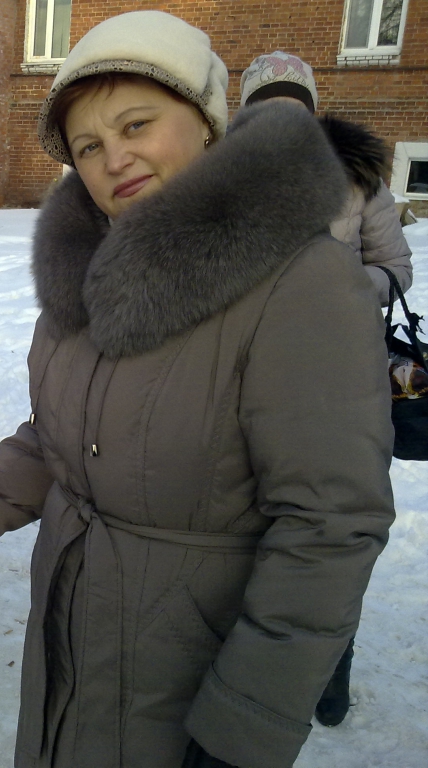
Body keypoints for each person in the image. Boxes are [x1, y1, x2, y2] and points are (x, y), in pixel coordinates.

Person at [0, 11, 394, 768]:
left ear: (208, 123)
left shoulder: (302, 283)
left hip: (188, 663)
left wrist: (247, 721)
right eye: (88, 145)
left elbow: (329, 525)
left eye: (136, 124)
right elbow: (61, 438)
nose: (113, 157)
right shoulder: (90, 273)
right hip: (70, 633)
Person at [240, 50, 414, 727]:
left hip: (342, 375)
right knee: (255, 521)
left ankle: (330, 660)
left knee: (333, 526)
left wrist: (332, 285)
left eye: (292, 108)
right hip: (251, 373)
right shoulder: (225, 178)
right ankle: (250, 658)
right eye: (265, 110)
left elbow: (395, 268)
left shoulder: (357, 177)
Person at [240, 51, 413, 307]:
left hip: (336, 324)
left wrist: (343, 282)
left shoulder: (358, 179)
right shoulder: (219, 178)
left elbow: (396, 267)